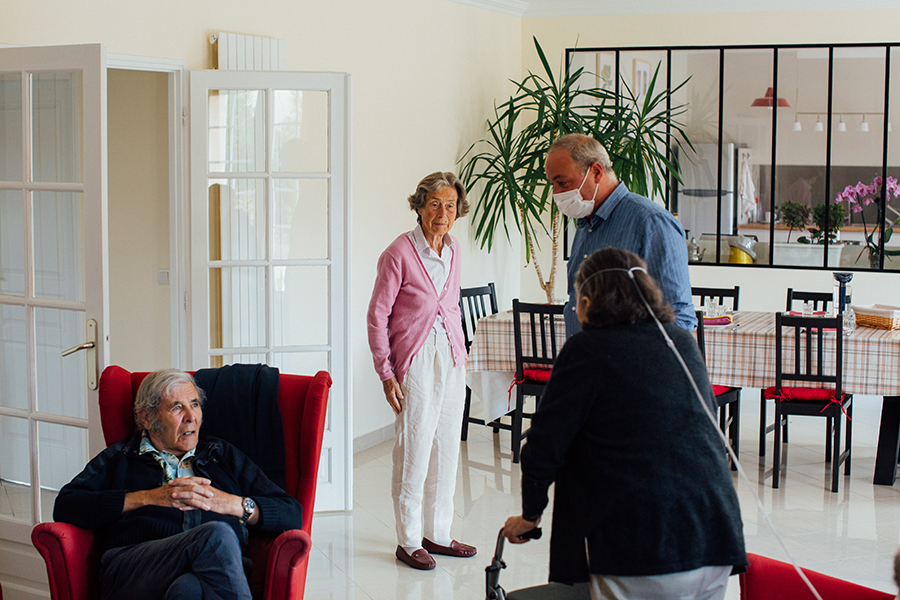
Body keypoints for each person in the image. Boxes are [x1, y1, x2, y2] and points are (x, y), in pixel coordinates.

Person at [503, 248, 746, 600]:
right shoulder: (679, 341)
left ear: (587, 301)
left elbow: (543, 447)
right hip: (715, 538)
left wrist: (530, 516)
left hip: (641, 547)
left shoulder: (585, 349)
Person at [53, 369, 304, 600]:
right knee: (215, 536)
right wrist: (148, 497)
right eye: (177, 408)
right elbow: (66, 505)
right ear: (147, 418)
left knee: (188, 589)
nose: (191, 417)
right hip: (133, 569)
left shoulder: (221, 455)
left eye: (194, 404)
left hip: (210, 572)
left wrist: (233, 504)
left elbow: (291, 512)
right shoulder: (121, 457)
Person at [366, 171, 477, 570]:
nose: (442, 213)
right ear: (419, 206)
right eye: (434, 204)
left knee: (447, 447)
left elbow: (451, 306)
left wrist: (461, 355)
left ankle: (439, 533)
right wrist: (386, 373)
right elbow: (377, 317)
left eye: (450, 206)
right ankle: (409, 539)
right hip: (414, 361)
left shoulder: (454, 249)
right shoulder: (398, 253)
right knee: (415, 449)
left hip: (451, 357)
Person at [544, 133, 696, 335]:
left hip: (628, 362)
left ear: (596, 172)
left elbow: (678, 317)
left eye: (563, 183)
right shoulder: (584, 224)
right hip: (585, 357)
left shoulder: (650, 222)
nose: (557, 194)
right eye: (553, 185)